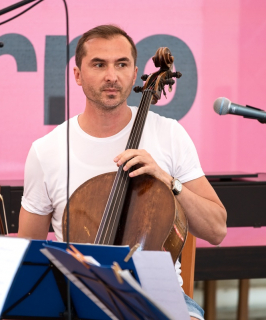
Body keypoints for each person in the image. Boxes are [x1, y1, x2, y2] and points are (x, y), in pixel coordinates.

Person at [18, 24, 227, 320]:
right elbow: (30, 254)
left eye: (122, 64)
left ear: (135, 73)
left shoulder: (168, 134)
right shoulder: (47, 150)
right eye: (99, 64)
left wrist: (168, 181)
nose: (111, 76)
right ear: (77, 74)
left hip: (160, 301)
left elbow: (217, 230)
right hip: (79, 301)